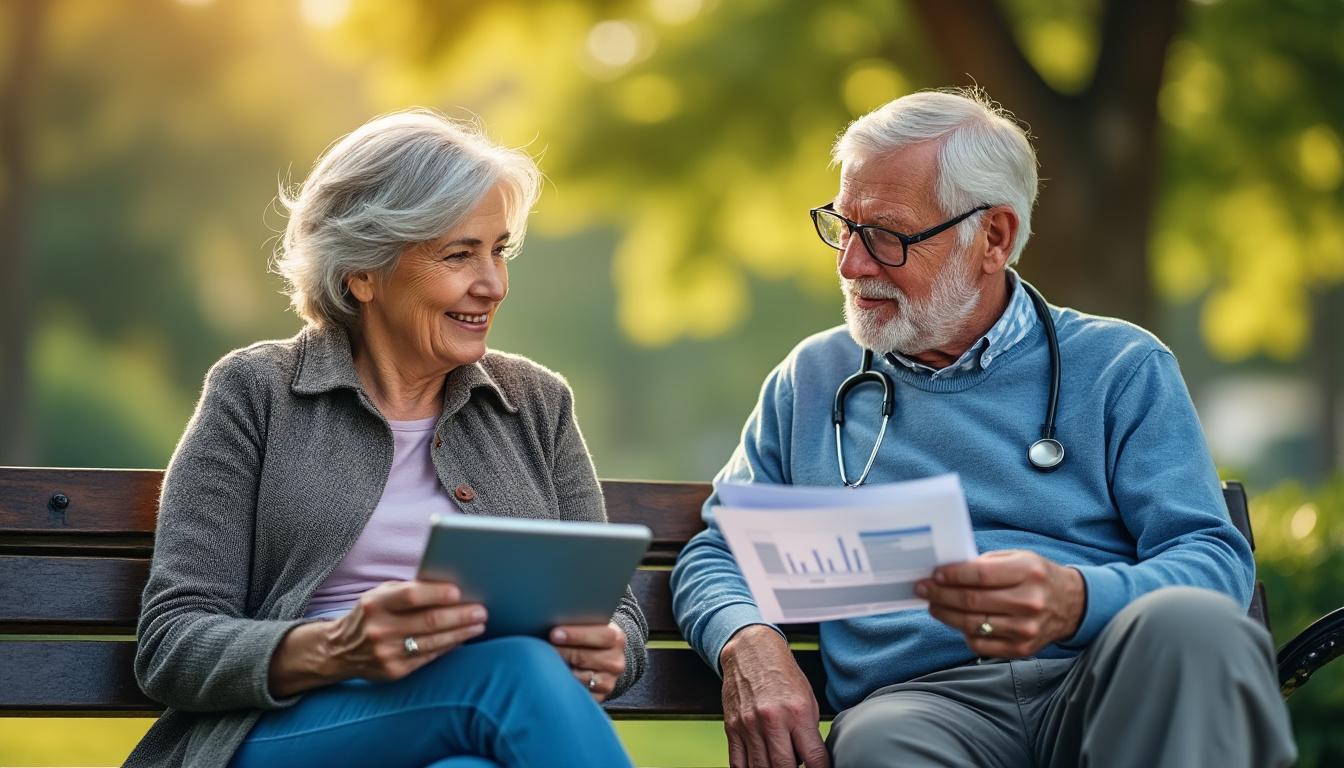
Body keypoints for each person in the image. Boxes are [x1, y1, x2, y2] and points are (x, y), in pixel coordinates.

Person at [670, 88, 1296, 768]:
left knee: (1192, 623)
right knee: (881, 746)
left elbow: (1212, 559)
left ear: (992, 237)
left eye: (885, 235)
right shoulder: (813, 379)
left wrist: (1077, 600)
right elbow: (717, 550)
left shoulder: (1121, 366)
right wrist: (749, 639)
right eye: (842, 226)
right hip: (919, 707)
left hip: (1104, 687)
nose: (850, 264)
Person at [127, 110, 646, 768]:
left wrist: (610, 648)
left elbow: (615, 612)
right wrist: (334, 647)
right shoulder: (254, 392)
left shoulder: (537, 403)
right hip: (281, 731)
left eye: (498, 250)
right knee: (510, 674)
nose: (493, 284)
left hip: (470, 724)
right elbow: (171, 642)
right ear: (362, 274)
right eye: (460, 254)